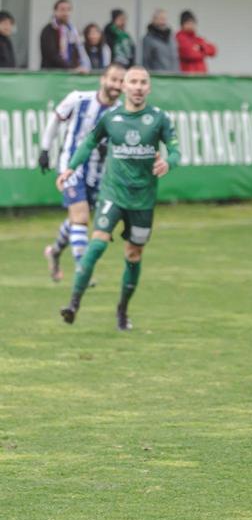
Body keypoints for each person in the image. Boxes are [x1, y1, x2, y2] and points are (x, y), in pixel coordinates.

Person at [57, 66, 179, 331]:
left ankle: (122, 311)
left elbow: (176, 150)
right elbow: (89, 143)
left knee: (133, 254)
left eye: (142, 82)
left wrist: (168, 163)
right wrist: (70, 168)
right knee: (98, 243)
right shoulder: (111, 118)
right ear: (123, 86)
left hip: (143, 199)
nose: (137, 87)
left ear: (149, 87)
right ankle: (73, 304)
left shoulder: (159, 119)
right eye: (132, 82)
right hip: (112, 193)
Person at [38, 63, 126, 281]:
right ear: (102, 79)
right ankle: (83, 269)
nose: (116, 85)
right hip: (71, 167)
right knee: (81, 217)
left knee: (77, 219)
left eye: (120, 81)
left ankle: (54, 252)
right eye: (113, 79)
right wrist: (45, 149)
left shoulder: (121, 111)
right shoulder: (78, 99)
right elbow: (55, 119)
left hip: (98, 172)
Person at [39, 0, 87, 71]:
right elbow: (52, 55)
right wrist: (71, 68)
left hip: (71, 73)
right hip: (52, 74)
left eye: (68, 9)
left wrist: (78, 67)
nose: (65, 13)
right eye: (62, 9)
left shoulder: (73, 31)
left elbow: (77, 51)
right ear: (55, 11)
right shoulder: (49, 30)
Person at [176, 10, 217, 74]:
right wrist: (204, 52)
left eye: (192, 23)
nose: (191, 25)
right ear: (182, 25)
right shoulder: (179, 37)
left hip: (201, 75)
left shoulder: (198, 39)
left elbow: (213, 50)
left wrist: (201, 47)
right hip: (188, 76)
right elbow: (189, 54)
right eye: (188, 23)